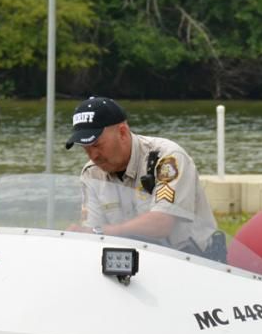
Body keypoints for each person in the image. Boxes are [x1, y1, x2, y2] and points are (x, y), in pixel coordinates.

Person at [64, 96, 219, 255]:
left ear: (122, 132)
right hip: (136, 261)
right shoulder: (91, 173)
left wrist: (101, 232)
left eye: (97, 145)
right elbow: (93, 232)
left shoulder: (166, 157)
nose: (93, 156)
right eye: (86, 148)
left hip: (194, 261)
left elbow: (161, 223)